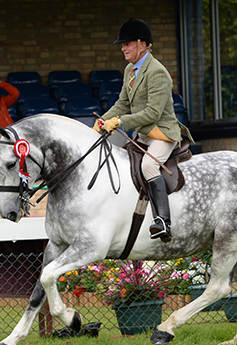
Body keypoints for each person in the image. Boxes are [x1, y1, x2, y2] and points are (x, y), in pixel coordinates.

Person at [94, 18, 192, 242]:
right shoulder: (130, 69)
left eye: (127, 43)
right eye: (123, 44)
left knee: (148, 165)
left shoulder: (157, 72)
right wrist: (103, 120)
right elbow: (123, 104)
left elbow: (152, 114)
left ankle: (163, 222)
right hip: (143, 134)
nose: (123, 48)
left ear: (142, 44)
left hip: (162, 133)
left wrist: (118, 123)